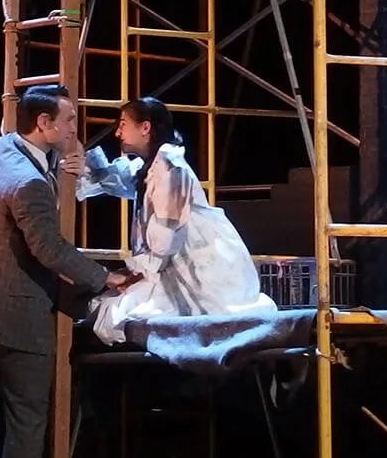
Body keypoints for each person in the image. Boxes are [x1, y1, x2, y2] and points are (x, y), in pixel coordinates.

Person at [0, 84, 133, 458]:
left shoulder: (3, 150)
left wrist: (64, 161)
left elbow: (40, 173)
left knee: (5, 413)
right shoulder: (29, 183)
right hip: (18, 314)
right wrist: (102, 278)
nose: (77, 130)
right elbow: (49, 247)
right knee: (28, 416)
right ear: (44, 124)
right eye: (69, 122)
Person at [79, 96, 276, 344]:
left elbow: (165, 240)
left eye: (123, 124)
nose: (117, 133)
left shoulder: (170, 167)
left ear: (146, 127)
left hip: (195, 266)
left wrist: (138, 273)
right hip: (169, 263)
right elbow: (114, 179)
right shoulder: (149, 165)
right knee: (110, 307)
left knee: (120, 312)